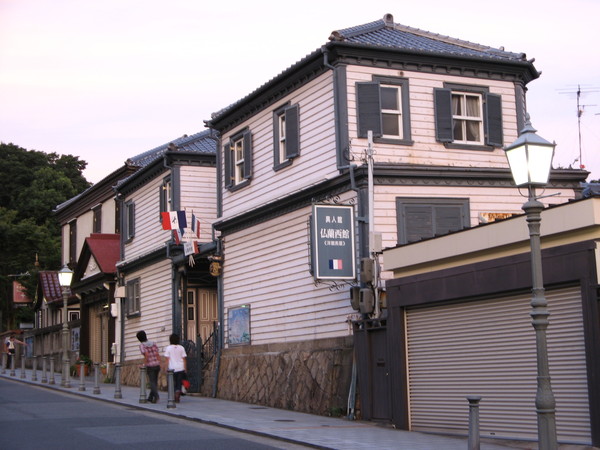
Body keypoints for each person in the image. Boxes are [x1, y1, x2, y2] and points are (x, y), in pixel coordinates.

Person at [136, 330, 161, 403]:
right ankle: (150, 397)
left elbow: (146, 355)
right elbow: (157, 353)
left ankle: (156, 395)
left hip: (150, 365)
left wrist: (144, 364)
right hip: (157, 364)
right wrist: (160, 362)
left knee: (152, 382)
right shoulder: (153, 343)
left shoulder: (142, 345)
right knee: (155, 381)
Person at [164, 333, 187, 403]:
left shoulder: (168, 348)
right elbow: (184, 359)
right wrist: (185, 368)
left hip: (172, 368)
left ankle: (174, 394)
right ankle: (178, 394)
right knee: (179, 382)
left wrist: (165, 368)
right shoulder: (181, 348)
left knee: (172, 382)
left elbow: (167, 360)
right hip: (180, 368)